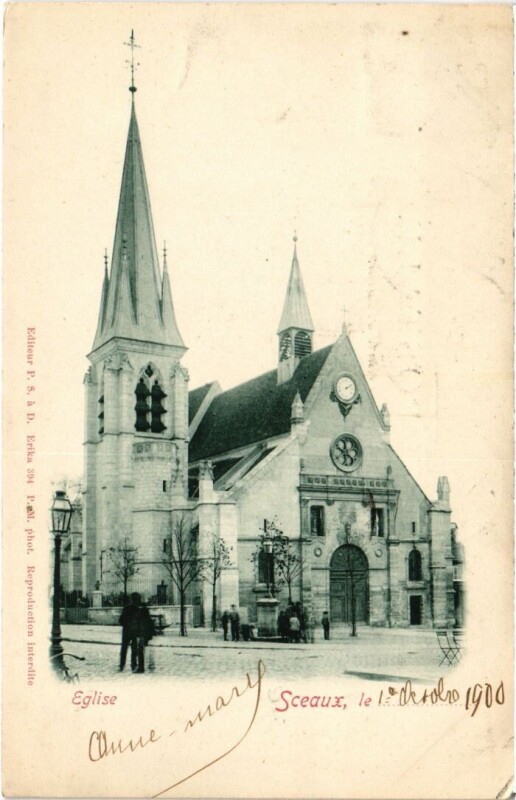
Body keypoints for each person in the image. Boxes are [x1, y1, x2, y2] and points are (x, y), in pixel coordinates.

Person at [119, 592, 154, 673]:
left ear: (131, 600)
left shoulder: (127, 609)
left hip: (126, 632)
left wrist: (126, 624)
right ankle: (133, 665)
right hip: (135, 632)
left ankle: (122, 664)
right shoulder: (139, 609)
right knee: (134, 649)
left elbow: (121, 620)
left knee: (124, 648)